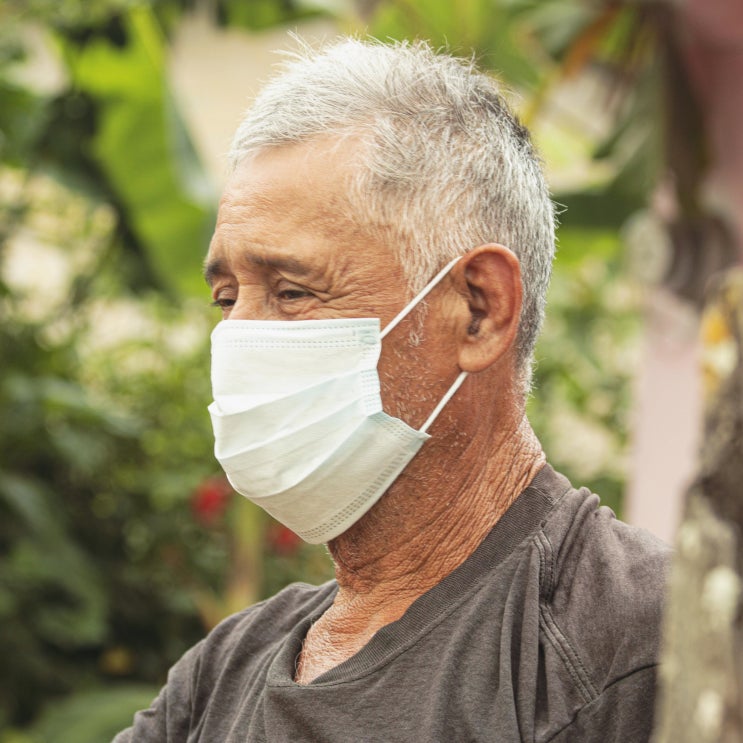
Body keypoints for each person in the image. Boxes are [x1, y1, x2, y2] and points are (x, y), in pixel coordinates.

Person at [114, 36, 670, 742]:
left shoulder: (629, 645)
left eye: (291, 290)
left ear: (477, 309)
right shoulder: (224, 671)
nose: (239, 338)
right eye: (226, 298)